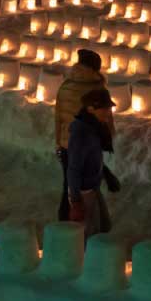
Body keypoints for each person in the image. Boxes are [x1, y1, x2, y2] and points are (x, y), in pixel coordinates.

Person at [54, 49, 114, 221]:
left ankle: (68, 222)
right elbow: (106, 120)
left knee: (70, 182)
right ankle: (78, 228)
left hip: (66, 143)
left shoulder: (66, 85)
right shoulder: (97, 89)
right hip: (88, 142)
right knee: (85, 184)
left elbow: (58, 117)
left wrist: (59, 142)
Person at [65, 87, 116, 239]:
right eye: (104, 108)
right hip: (83, 192)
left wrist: (105, 173)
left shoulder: (94, 127)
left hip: (92, 187)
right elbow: (74, 168)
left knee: (104, 226)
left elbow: (91, 157)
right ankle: (87, 261)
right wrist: (76, 201)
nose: (108, 112)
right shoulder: (81, 134)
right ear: (90, 109)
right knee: (88, 235)